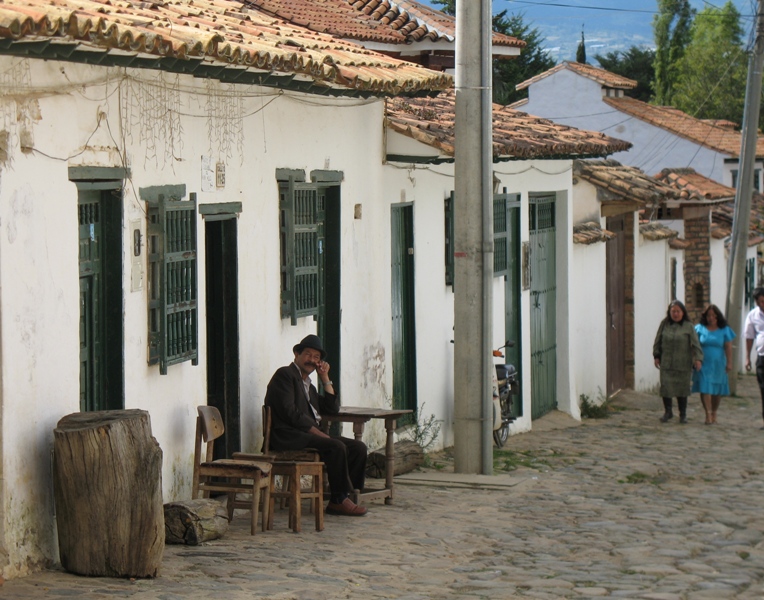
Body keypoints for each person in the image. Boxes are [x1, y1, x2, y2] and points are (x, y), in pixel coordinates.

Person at [264, 334, 368, 516]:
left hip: (308, 436)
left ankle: (348, 495)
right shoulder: (285, 375)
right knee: (336, 446)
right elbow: (290, 412)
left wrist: (325, 378)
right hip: (288, 436)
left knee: (358, 447)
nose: (311, 360)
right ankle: (338, 500)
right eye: (308, 354)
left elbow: (332, 408)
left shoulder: (309, 387)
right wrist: (316, 433)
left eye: (316, 357)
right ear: (297, 354)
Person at [653, 300, 703, 424]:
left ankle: (683, 414)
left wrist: (698, 359)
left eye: (678, 311)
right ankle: (668, 412)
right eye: (673, 311)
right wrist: (656, 355)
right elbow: (658, 340)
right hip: (667, 362)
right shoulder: (664, 324)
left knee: (682, 389)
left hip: (683, 363)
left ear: (683, 312)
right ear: (669, 313)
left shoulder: (688, 326)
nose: (675, 314)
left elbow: (696, 344)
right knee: (666, 387)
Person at [692, 304, 735, 424]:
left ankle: (714, 411)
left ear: (717, 316)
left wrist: (730, 362)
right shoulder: (699, 328)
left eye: (713, 316)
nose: (711, 318)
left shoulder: (724, 329)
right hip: (703, 362)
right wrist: (695, 359)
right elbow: (694, 345)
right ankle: (708, 413)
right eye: (708, 316)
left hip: (718, 363)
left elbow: (728, 346)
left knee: (716, 389)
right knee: (704, 387)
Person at [744, 286, 764, 429]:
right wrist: (747, 358)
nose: (763, 304)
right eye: (760, 302)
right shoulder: (753, 315)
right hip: (762, 357)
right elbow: (749, 337)